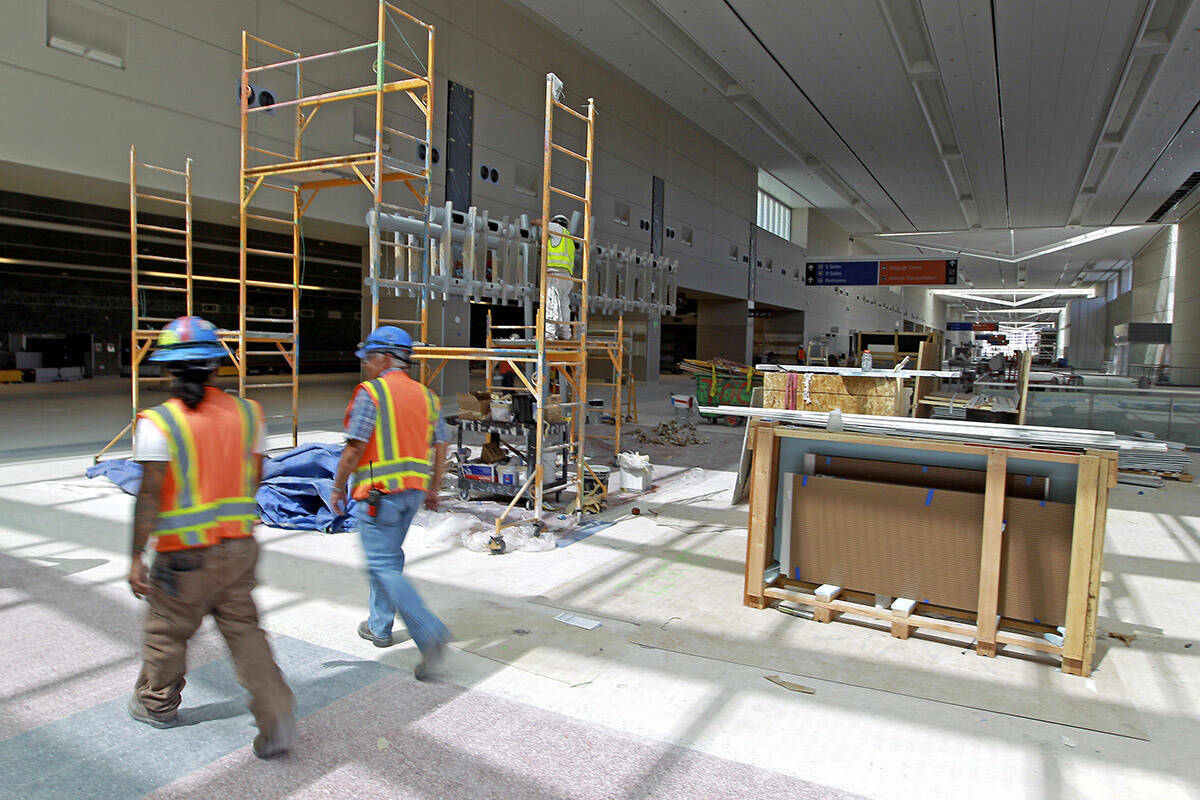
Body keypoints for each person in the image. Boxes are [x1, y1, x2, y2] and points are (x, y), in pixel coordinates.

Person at [127, 316, 295, 759]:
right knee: (244, 631)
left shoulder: (158, 423)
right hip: (239, 548)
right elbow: (254, 476)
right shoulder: (248, 413)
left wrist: (135, 556)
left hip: (182, 557)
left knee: (167, 632)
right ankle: (276, 713)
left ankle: (156, 703)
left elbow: (149, 497)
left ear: (167, 370)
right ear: (216, 366)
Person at [331, 326, 451, 680]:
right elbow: (440, 446)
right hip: (411, 493)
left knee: (381, 564)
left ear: (386, 358)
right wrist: (433, 487)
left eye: (369, 358)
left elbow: (355, 447)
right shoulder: (428, 396)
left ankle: (429, 633)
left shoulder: (373, 393)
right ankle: (379, 626)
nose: (366, 365)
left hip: (378, 496)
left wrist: (337, 487)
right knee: (389, 557)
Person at [536, 213, 576, 340]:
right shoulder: (569, 238)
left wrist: (533, 222)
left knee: (552, 303)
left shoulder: (557, 229)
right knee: (564, 305)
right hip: (567, 277)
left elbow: (537, 222)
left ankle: (549, 334)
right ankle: (565, 334)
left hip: (555, 274)